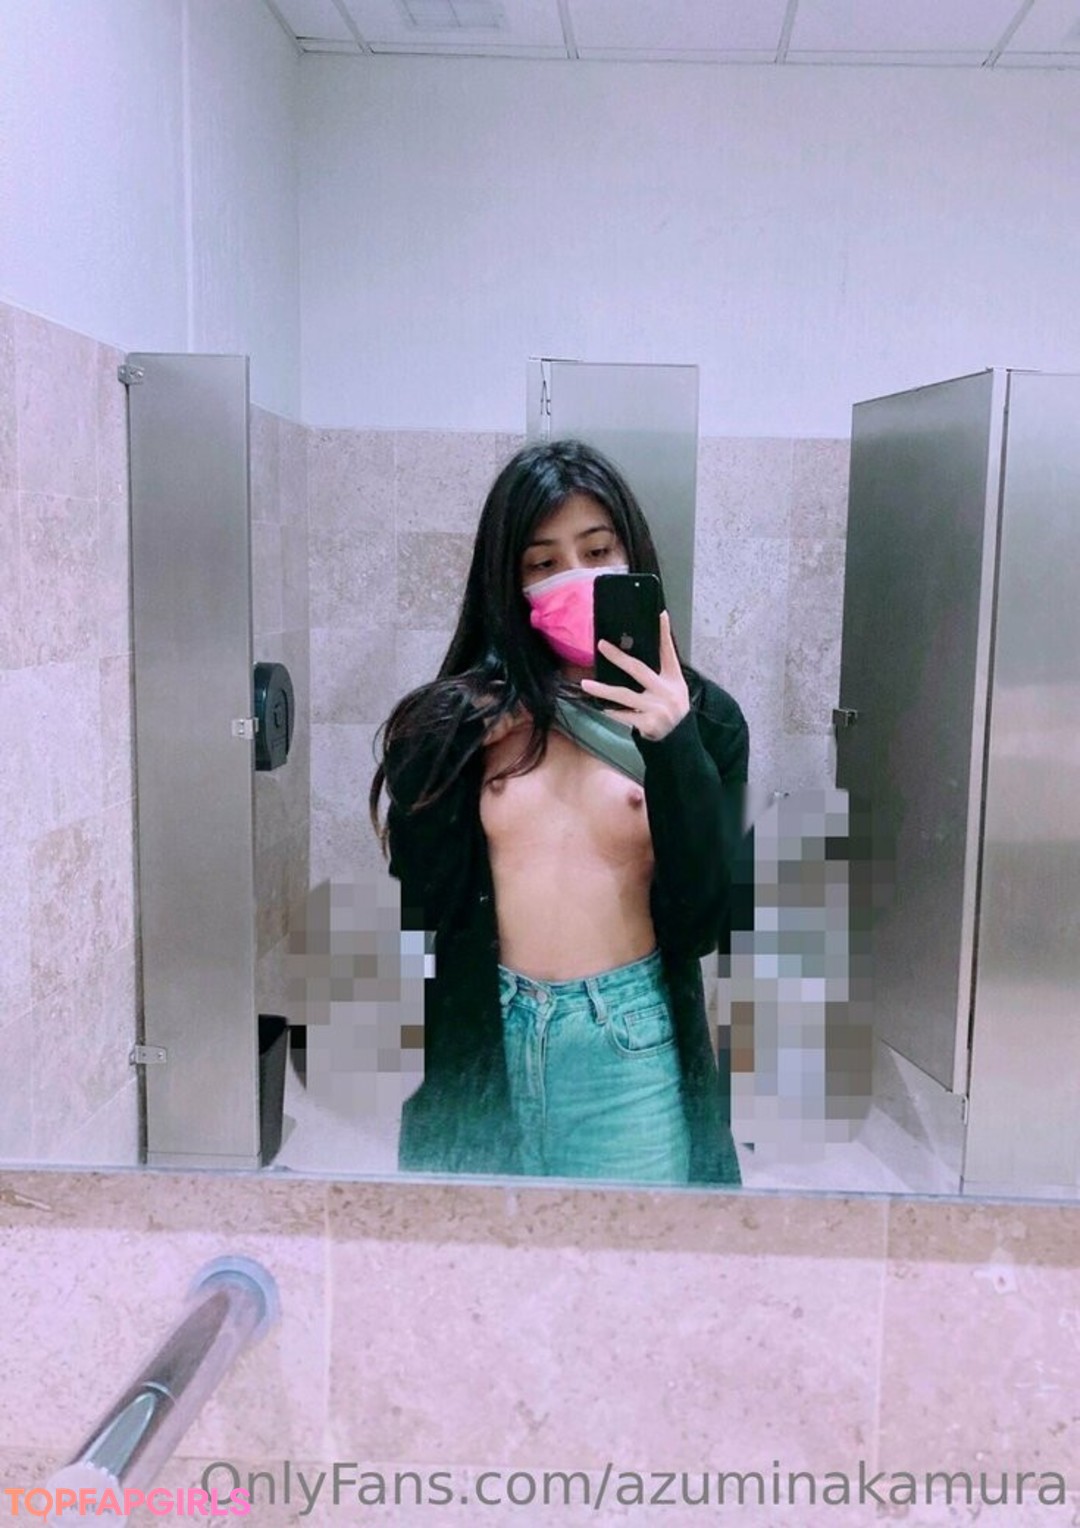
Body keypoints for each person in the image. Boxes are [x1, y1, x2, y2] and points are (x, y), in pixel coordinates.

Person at [369, 439, 748, 1185]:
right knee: (482, 1253)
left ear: (633, 557)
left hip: (626, 1038)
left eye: (597, 551)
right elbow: (424, 904)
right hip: (487, 1026)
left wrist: (673, 747)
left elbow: (703, 924)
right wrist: (450, 744)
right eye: (542, 563)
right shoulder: (468, 719)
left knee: (622, 1251)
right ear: (508, 583)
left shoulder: (705, 719)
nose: (574, 576)